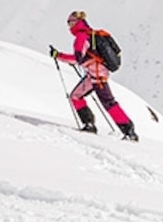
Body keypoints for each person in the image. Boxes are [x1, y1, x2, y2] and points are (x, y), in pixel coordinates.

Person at [52, 10, 138, 140]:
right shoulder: (90, 34)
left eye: (70, 23)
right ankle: (89, 124)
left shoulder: (81, 37)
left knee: (108, 102)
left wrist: (58, 56)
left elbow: (78, 59)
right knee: (76, 96)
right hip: (95, 74)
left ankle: (129, 131)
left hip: (97, 75)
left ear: (76, 22)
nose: (69, 26)